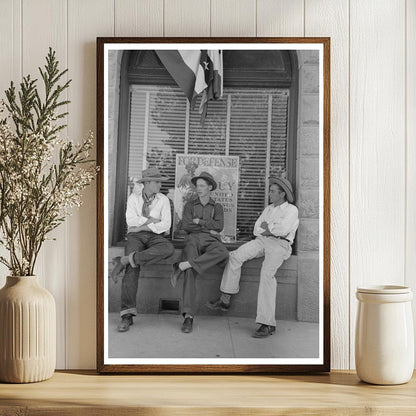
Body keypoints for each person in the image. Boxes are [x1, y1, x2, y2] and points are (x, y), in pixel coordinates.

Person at [207, 176, 299, 338]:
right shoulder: (269, 209)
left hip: (280, 244)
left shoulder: (291, 210)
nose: (269, 194)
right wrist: (270, 229)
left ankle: (267, 323)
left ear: (282, 194)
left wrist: (269, 228)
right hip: (262, 240)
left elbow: (283, 230)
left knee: (266, 274)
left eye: (272, 191)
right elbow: (257, 229)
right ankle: (225, 298)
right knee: (235, 256)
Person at [111, 167, 175, 332]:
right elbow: (130, 220)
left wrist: (141, 227)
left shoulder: (164, 200)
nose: (160, 185)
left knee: (168, 248)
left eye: (160, 182)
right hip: (136, 237)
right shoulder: (134, 198)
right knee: (132, 270)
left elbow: (166, 225)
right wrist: (151, 221)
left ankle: (124, 260)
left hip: (154, 237)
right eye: (156, 182)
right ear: (146, 183)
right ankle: (127, 315)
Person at [171, 171, 229, 334]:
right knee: (190, 273)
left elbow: (219, 227)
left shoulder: (217, 206)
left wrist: (201, 222)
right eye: (197, 186)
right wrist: (208, 227)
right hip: (193, 239)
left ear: (210, 187)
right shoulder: (190, 205)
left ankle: (183, 265)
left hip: (210, 240)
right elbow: (186, 226)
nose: (199, 189)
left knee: (223, 252)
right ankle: (188, 317)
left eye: (202, 186)